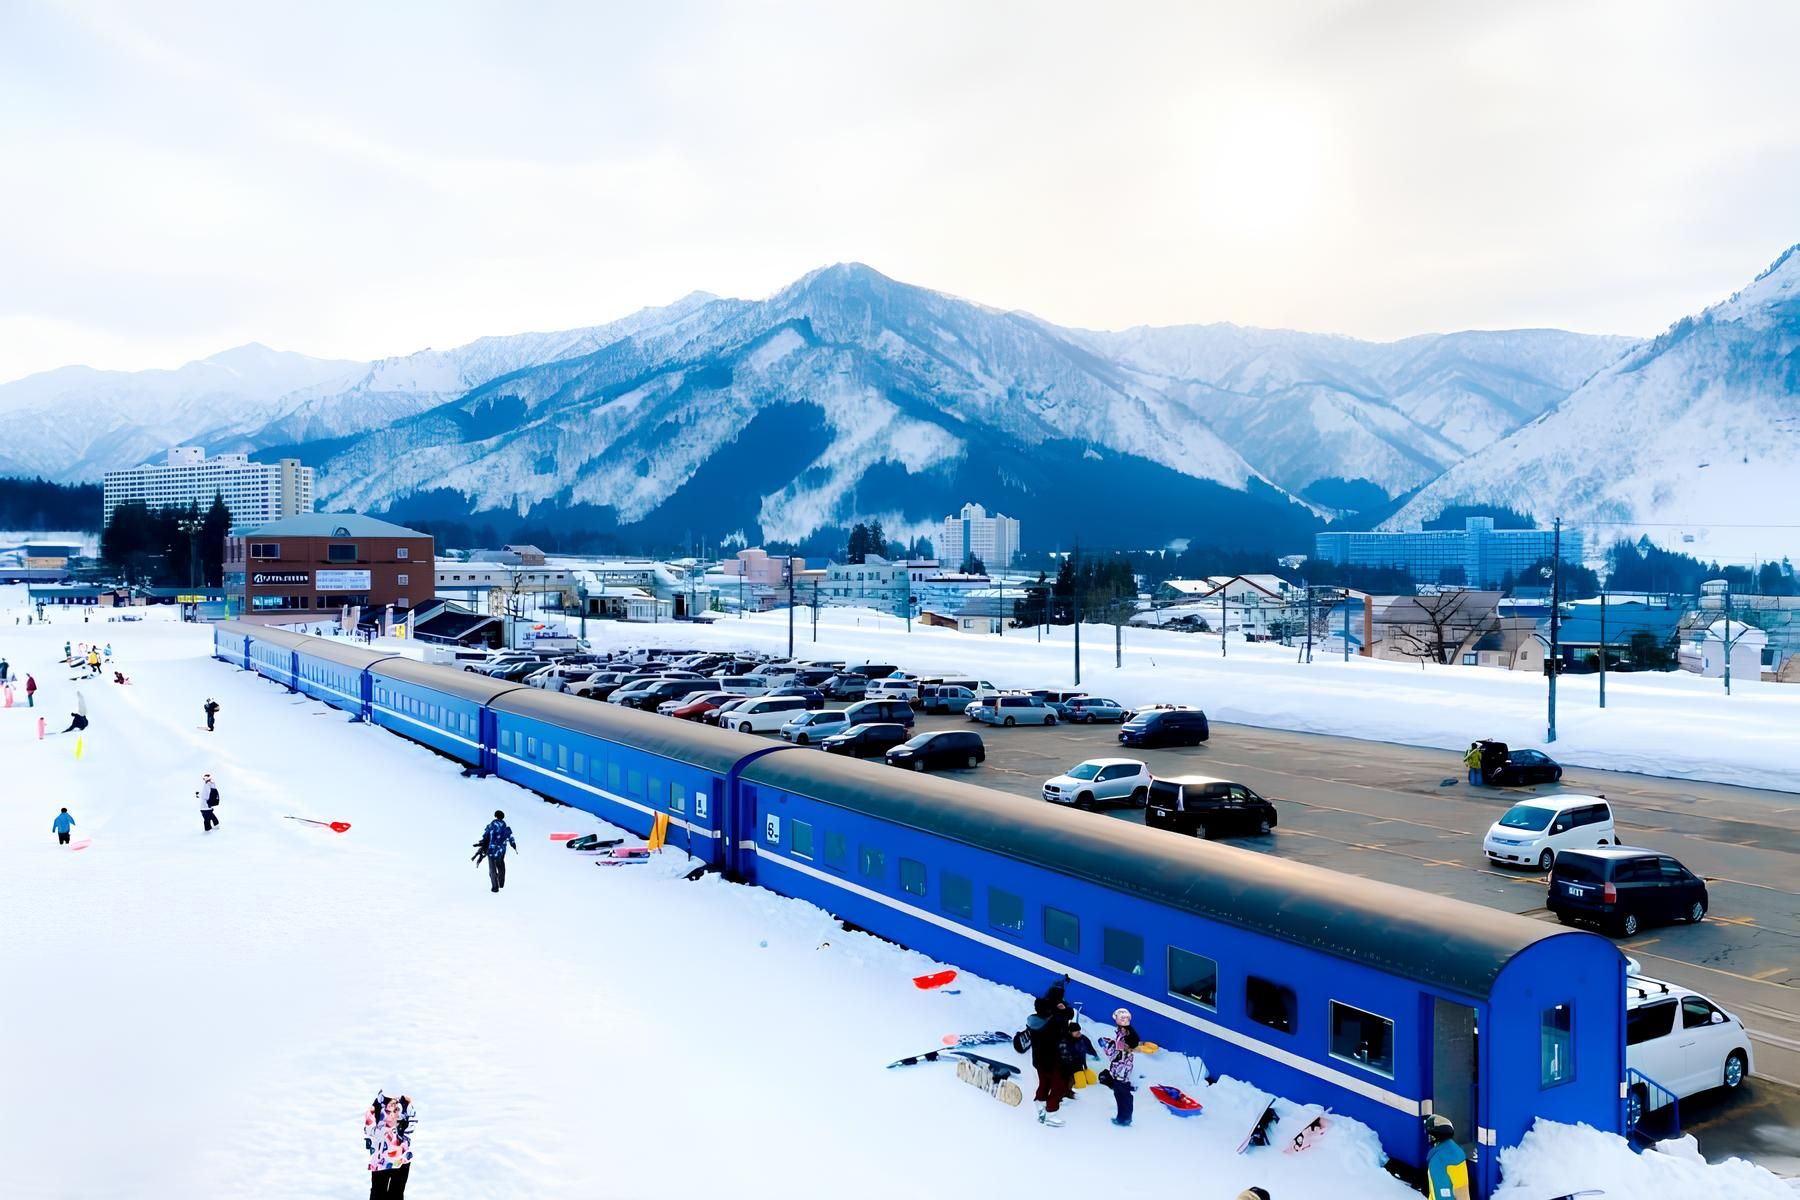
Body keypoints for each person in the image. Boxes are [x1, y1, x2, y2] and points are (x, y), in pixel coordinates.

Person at [1028, 975, 1073, 1125]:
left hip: (1039, 1059)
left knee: (1044, 1083)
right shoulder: (1056, 1019)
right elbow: (1068, 1015)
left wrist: (1061, 1008)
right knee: (1059, 1085)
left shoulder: (1037, 1018)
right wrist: (1062, 1009)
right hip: (1054, 1059)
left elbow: (1066, 1013)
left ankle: (1040, 1105)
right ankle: (1051, 1114)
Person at [363, 1089, 417, 1197]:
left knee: (397, 1193)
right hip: (381, 1159)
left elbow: (413, 1123)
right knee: (378, 1193)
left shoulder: (406, 1103)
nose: (393, 1115)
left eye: (396, 1110)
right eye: (388, 1112)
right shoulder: (377, 1104)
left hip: (402, 1158)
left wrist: (402, 1134)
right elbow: (369, 1128)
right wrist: (386, 1131)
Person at [1099, 1006, 1140, 1127]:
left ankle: (1123, 1119)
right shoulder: (1129, 1032)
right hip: (1125, 1067)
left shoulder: (1123, 1034)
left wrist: (1105, 1045)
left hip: (1120, 1068)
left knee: (1121, 1094)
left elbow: (1116, 1054)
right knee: (1124, 1093)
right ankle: (1125, 1117)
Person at [1425, 1115, 1470, 1200]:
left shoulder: (1451, 1155)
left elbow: (1462, 1192)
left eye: (1431, 1135)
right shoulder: (1438, 1154)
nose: (1429, 1138)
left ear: (1437, 1135)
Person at [481, 810, 517, 892]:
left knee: (492, 868)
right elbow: (511, 838)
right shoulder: (506, 828)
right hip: (501, 850)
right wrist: (513, 845)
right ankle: (501, 883)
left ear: (495, 816)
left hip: (492, 850)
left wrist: (483, 844)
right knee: (501, 865)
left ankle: (495, 887)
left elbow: (485, 836)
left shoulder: (491, 826)